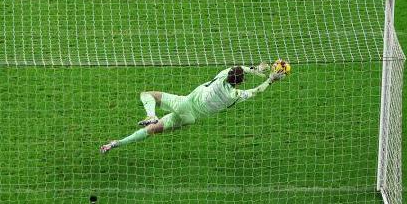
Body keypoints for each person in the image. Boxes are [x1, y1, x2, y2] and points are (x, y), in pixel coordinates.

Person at [100, 63, 287, 153]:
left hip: (184, 103)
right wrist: (269, 79)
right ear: (240, 82)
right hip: (190, 118)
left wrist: (256, 69)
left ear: (229, 75)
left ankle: (151, 114)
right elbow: (254, 92)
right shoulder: (233, 96)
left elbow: (238, 67)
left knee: (147, 95)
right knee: (151, 132)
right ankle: (115, 144)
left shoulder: (222, 75)